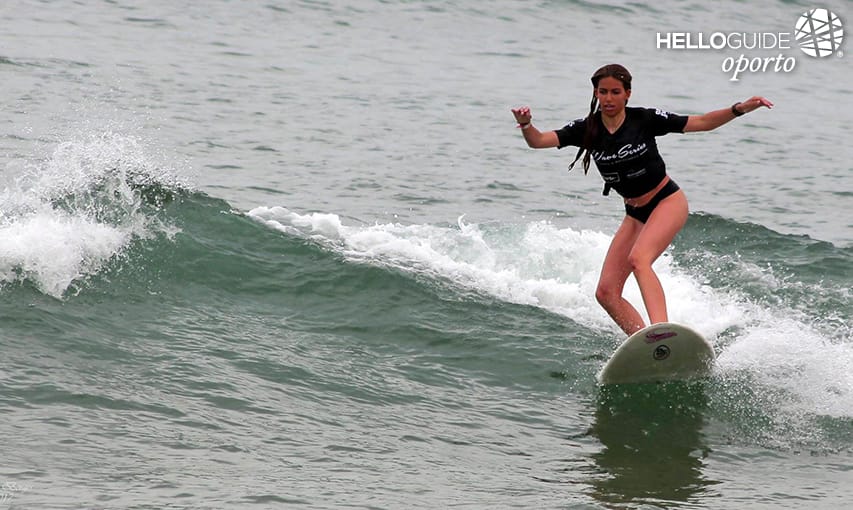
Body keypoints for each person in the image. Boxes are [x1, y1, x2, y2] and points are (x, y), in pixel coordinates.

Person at [511, 63, 772, 336]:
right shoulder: (586, 129)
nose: (609, 98)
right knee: (606, 292)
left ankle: (663, 332)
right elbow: (539, 141)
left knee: (640, 259)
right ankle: (645, 343)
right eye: (603, 92)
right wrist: (526, 125)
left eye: (615, 92)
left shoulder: (644, 119)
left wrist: (738, 109)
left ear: (628, 94)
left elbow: (702, 122)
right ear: (596, 94)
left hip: (666, 201)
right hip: (634, 213)